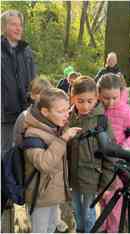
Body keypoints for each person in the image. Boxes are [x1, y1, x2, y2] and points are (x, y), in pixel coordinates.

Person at [19, 88, 81, 232]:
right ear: (45, 112)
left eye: (68, 110)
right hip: (40, 196)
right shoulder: (33, 134)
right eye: (61, 111)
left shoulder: (54, 127)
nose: (66, 115)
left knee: (51, 227)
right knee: (40, 230)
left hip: (52, 193)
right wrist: (63, 139)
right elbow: (44, 164)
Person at [97, 74, 130, 232]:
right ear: (98, 93)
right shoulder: (94, 107)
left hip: (117, 163)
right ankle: (102, 224)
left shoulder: (127, 111)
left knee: (115, 200)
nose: (111, 102)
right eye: (106, 98)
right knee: (101, 196)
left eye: (115, 97)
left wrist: (125, 147)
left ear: (121, 93)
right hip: (97, 162)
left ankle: (113, 229)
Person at [1, 10, 36, 232]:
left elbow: (34, 81)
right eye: (13, 24)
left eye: (20, 24)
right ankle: (5, 197)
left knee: (25, 156)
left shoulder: (27, 50)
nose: (18, 28)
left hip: (25, 114)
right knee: (5, 156)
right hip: (4, 116)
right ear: (4, 27)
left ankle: (21, 200)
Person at [67, 76, 115, 233]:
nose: (85, 106)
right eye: (80, 101)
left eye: (90, 101)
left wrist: (107, 184)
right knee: (75, 209)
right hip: (72, 177)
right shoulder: (67, 118)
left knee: (89, 213)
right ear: (73, 98)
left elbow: (110, 155)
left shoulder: (102, 121)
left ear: (96, 98)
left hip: (93, 177)